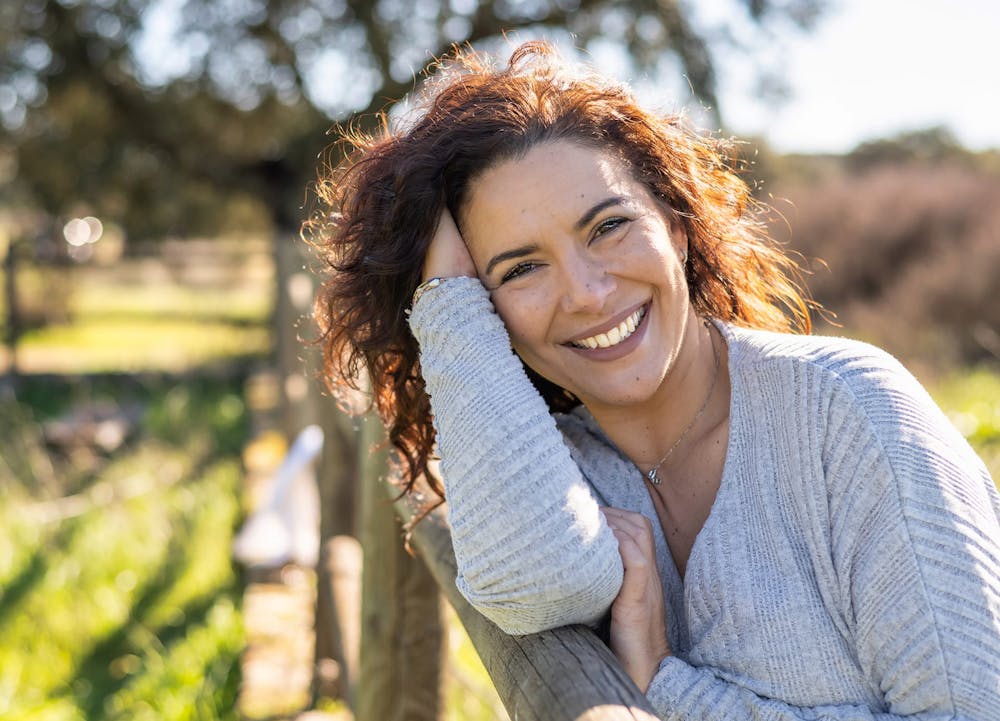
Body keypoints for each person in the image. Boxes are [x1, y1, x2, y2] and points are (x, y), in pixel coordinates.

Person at [307, 41, 1000, 719]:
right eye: (521, 269)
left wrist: (668, 689)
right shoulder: (555, 473)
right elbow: (537, 587)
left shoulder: (847, 412)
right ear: (487, 314)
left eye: (608, 226)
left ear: (677, 226)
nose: (587, 293)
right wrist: (447, 302)